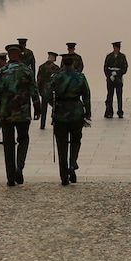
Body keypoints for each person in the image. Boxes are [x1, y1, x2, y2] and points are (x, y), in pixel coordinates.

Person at [0, 44, 39, 186]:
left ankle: (10, 177)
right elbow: (34, 91)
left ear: (8, 55)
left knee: (8, 144)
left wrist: (2, 98)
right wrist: (37, 108)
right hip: (23, 113)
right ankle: (20, 167)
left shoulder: (0, 71)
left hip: (6, 113)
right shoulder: (27, 71)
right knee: (23, 139)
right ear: (19, 55)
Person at [48, 53, 91, 185]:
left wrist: (54, 106)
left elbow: (47, 94)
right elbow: (86, 96)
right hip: (76, 113)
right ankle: (72, 164)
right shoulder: (80, 76)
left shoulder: (56, 77)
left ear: (62, 63)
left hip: (60, 114)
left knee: (61, 145)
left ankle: (64, 176)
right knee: (76, 141)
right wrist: (87, 113)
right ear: (73, 63)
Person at [103, 41, 129, 118]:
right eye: (115, 47)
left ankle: (120, 111)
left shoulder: (122, 57)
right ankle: (109, 112)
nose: (116, 49)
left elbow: (125, 68)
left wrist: (117, 73)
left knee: (119, 96)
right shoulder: (109, 56)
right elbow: (105, 67)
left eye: (117, 47)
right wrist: (109, 76)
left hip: (118, 79)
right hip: (110, 79)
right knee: (110, 95)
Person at [36, 51, 60, 129]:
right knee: (55, 107)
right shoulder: (56, 68)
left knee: (43, 108)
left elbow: (38, 80)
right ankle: (54, 121)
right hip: (52, 91)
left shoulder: (41, 67)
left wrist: (39, 90)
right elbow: (58, 80)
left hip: (44, 91)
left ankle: (42, 124)